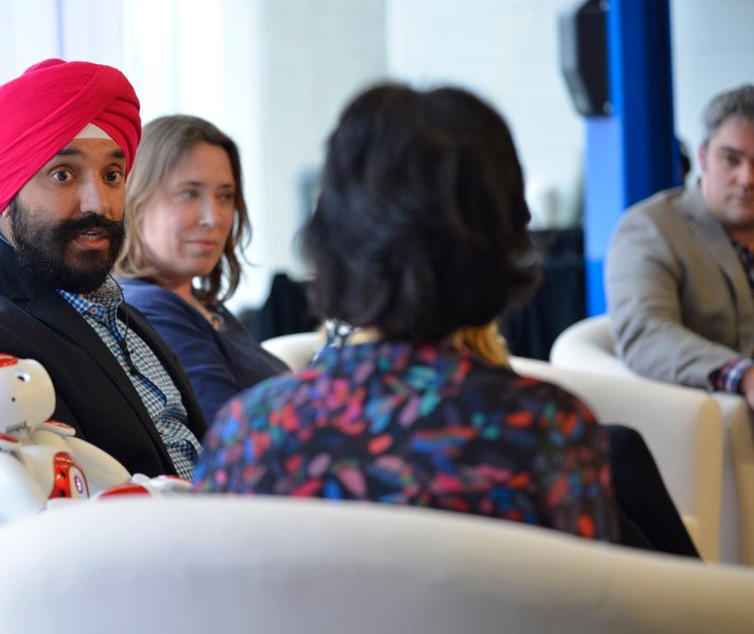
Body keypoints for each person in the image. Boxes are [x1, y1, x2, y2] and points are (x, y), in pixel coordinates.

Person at [193, 83, 620, 542]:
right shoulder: (546, 430)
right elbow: (595, 608)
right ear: (504, 239)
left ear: (333, 237)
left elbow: (205, 597)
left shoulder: (251, 432)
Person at [0, 59, 207, 479]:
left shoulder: (113, 310)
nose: (98, 203)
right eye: (63, 175)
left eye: (112, 175)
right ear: (7, 194)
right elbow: (48, 520)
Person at [115, 115, 288, 423]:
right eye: (189, 194)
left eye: (225, 196)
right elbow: (233, 433)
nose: (214, 217)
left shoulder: (197, 302)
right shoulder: (149, 309)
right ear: (137, 201)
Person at [606, 84, 754, 408]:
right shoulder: (650, 228)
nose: (747, 179)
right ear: (702, 156)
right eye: (732, 160)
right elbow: (645, 332)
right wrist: (743, 375)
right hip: (712, 428)